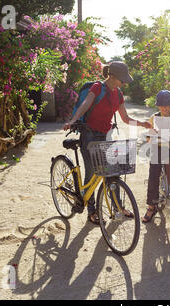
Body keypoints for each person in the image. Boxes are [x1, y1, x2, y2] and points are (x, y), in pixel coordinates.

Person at [63, 61, 151, 225]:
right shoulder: (97, 87)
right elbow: (85, 105)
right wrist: (73, 120)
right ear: (112, 76)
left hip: (105, 136)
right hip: (89, 136)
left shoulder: (118, 94)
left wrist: (142, 123)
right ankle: (91, 211)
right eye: (122, 79)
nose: (124, 83)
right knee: (92, 174)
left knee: (113, 173)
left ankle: (118, 207)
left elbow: (125, 118)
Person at [142, 90, 170, 223]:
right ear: (158, 105)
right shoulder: (154, 117)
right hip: (158, 148)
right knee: (154, 175)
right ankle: (151, 206)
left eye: (167, 105)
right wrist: (153, 134)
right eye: (162, 105)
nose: (165, 108)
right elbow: (149, 140)